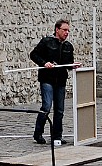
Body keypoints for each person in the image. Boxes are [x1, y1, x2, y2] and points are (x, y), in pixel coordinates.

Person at [30, 18, 76, 146]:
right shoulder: (46, 42)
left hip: (60, 81)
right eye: (64, 30)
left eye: (68, 30)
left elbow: (68, 64)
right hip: (47, 79)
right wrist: (44, 63)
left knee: (59, 110)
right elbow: (33, 55)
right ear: (57, 30)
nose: (67, 32)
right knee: (46, 106)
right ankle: (38, 133)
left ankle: (57, 136)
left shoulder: (68, 46)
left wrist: (73, 66)